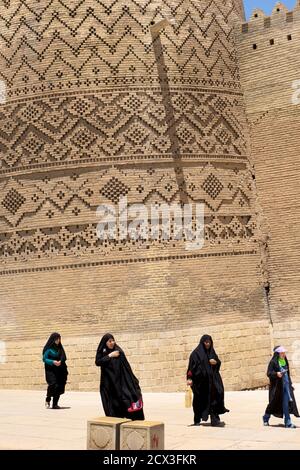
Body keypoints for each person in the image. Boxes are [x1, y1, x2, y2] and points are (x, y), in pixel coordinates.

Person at [95, 333, 144, 420]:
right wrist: (110, 356)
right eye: (110, 341)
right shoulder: (103, 351)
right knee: (109, 405)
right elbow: (98, 362)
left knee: (121, 402)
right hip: (107, 384)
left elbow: (126, 369)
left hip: (118, 382)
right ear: (105, 343)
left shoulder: (118, 351)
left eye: (113, 340)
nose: (112, 343)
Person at [186, 334, 229, 426]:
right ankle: (197, 419)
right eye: (206, 342)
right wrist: (189, 378)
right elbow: (190, 368)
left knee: (216, 397)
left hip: (212, 382)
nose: (208, 344)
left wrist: (216, 363)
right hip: (201, 384)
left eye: (209, 342)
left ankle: (215, 419)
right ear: (202, 342)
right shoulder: (196, 354)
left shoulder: (212, 352)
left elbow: (218, 362)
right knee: (199, 401)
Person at [263, 346, 299, 428]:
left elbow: (287, 373)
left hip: (285, 386)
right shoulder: (273, 362)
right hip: (277, 388)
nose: (283, 354)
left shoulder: (284, 361)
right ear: (277, 354)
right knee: (273, 404)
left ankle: (288, 423)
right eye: (281, 353)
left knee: (286, 404)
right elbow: (269, 373)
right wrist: (276, 374)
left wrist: (290, 384)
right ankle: (265, 418)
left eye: (284, 353)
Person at [42, 332, 68, 409]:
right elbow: (44, 359)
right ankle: (48, 398)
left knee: (59, 385)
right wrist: (53, 362)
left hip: (60, 370)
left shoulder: (60, 348)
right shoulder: (48, 348)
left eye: (59, 339)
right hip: (51, 370)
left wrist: (61, 361)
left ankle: (55, 404)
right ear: (53, 339)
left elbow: (64, 357)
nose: (58, 340)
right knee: (53, 384)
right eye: (57, 339)